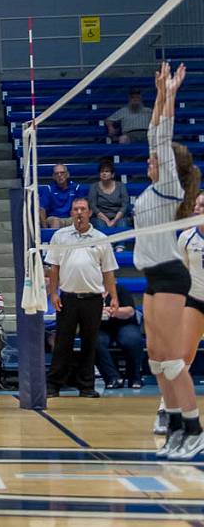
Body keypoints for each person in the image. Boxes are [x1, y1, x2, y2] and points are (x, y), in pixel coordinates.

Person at [136, 63, 202, 459]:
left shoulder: (168, 187)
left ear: (167, 166)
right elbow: (153, 135)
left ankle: (194, 428)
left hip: (171, 276)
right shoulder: (152, 188)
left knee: (174, 360)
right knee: (157, 359)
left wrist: (171, 95)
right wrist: (159, 93)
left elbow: (160, 135)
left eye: (155, 157)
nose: (148, 159)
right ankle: (176, 427)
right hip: (152, 278)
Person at [45, 198, 119, 398]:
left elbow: (108, 271)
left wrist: (113, 297)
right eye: (76, 209)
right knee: (62, 343)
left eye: (83, 209)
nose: (79, 212)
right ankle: (53, 385)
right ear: (71, 213)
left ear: (89, 213)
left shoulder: (101, 238)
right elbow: (54, 268)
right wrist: (53, 293)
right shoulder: (59, 237)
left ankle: (86, 386)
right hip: (67, 298)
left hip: (93, 299)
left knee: (90, 343)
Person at [170, 193, 204, 433]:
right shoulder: (186, 237)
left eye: (203, 205)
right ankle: (167, 409)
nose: (198, 208)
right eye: (197, 205)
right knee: (183, 357)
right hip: (195, 301)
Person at [95, 284, 143, 389]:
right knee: (94, 342)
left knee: (132, 340)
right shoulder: (90, 293)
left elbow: (130, 311)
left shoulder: (120, 290)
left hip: (124, 323)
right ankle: (112, 378)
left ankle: (134, 377)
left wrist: (112, 311)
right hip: (101, 327)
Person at [87, 159, 130, 229]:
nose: (104, 173)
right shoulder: (94, 187)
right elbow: (93, 206)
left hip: (119, 216)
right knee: (101, 227)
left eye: (107, 171)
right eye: (101, 171)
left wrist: (115, 220)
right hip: (100, 217)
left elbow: (124, 205)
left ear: (112, 174)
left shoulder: (121, 186)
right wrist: (107, 221)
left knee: (122, 227)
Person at [39, 163, 84, 229]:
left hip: (70, 218)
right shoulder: (48, 189)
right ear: (53, 176)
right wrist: (45, 228)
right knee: (55, 222)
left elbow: (81, 206)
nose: (59, 175)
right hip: (54, 218)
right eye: (56, 173)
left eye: (62, 173)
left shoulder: (76, 188)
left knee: (78, 220)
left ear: (67, 174)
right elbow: (41, 209)